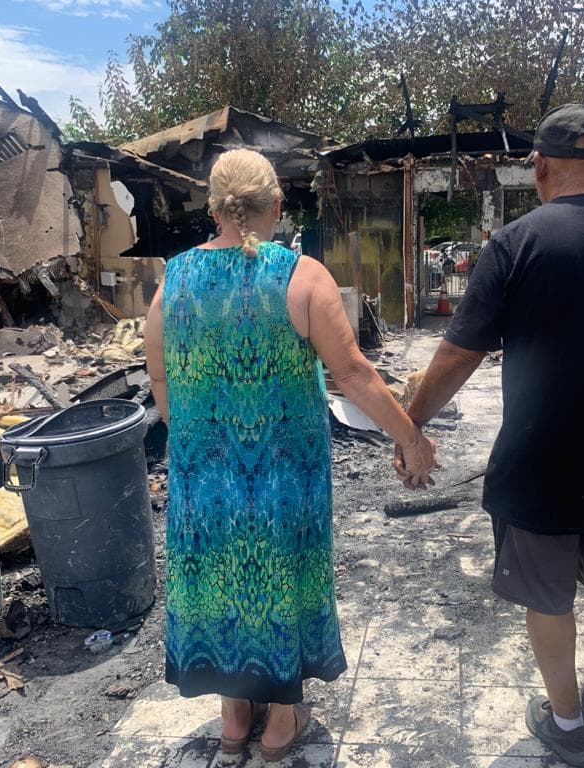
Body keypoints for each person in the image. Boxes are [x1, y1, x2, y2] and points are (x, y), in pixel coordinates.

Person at [399, 104, 584, 767]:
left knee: (548, 595)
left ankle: (565, 723)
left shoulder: (515, 243)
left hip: (538, 465)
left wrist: (412, 423)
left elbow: (457, 355)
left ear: (539, 169)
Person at [145, 149, 437, 762]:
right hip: (282, 477)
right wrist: (409, 437)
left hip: (204, 475)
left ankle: (233, 718)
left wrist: (197, 441)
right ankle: (281, 724)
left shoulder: (172, 279)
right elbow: (354, 374)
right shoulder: (301, 277)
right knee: (280, 576)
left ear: (215, 207)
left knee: (220, 580)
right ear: (277, 205)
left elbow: (161, 379)